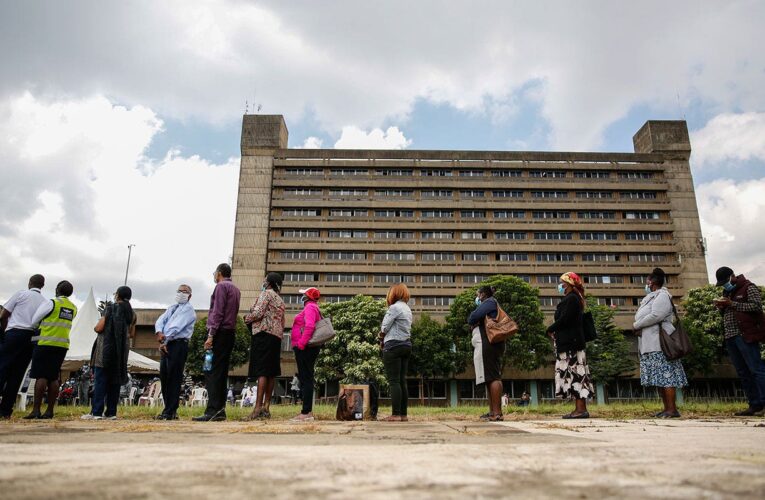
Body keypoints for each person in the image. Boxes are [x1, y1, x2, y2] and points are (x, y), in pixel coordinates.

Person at [633, 268, 687, 418]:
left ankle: (672, 409)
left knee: (666, 376)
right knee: (659, 377)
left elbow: (656, 315)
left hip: (660, 343)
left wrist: (637, 325)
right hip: (650, 343)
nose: (646, 283)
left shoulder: (662, 296)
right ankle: (666, 408)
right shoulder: (651, 297)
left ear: (652, 282)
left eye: (647, 281)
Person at [714, 266, 765, 416]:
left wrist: (732, 304)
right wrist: (721, 307)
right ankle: (754, 404)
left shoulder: (748, 287)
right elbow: (729, 311)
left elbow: (757, 307)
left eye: (725, 281)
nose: (724, 285)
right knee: (743, 372)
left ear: (732, 276)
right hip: (730, 336)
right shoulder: (727, 292)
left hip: (745, 335)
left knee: (756, 369)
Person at [194, 263, 241, 422]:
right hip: (230, 332)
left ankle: (212, 410)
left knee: (212, 371)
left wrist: (211, 335)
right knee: (221, 372)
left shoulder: (221, 287)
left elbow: (218, 311)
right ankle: (220, 410)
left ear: (219, 273)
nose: (214, 275)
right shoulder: (235, 289)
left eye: (215, 273)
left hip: (219, 332)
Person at [24, 280, 78, 419]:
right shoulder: (73, 307)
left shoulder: (51, 303)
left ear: (57, 290)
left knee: (41, 376)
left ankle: (36, 410)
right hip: (62, 345)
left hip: (45, 342)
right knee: (54, 377)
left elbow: (34, 320)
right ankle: (50, 411)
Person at [82, 286, 136, 420]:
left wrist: (97, 325)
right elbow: (132, 334)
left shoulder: (110, 308)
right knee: (115, 382)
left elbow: (99, 327)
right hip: (121, 353)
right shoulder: (132, 313)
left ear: (117, 295)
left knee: (100, 381)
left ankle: (96, 412)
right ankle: (111, 412)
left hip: (105, 350)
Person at [546, 272, 594, 419]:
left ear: (569, 283)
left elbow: (565, 319)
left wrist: (550, 328)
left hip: (571, 345)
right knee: (575, 375)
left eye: (562, 282)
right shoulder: (573, 298)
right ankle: (579, 408)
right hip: (570, 342)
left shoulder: (571, 298)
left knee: (576, 375)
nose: (560, 285)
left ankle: (581, 409)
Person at [0, 274, 48, 419]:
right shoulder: (45, 302)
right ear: (42, 286)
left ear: (29, 283)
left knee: (2, 368)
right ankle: (6, 410)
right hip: (31, 337)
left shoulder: (21, 294)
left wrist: (3, 332)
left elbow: (3, 314)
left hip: (14, 333)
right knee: (17, 374)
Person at [243, 272, 285, 420]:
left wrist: (246, 318)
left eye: (265, 279)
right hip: (276, 336)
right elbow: (283, 322)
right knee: (271, 372)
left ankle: (257, 408)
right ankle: (266, 407)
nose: (263, 281)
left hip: (263, 334)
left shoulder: (266, 294)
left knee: (261, 370)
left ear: (268, 282)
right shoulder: (280, 300)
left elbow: (258, 313)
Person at [154, 284, 196, 420]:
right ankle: (168, 408)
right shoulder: (172, 308)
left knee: (174, 377)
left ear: (189, 295)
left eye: (184, 291)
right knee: (165, 377)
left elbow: (176, 327)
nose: (181, 293)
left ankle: (171, 410)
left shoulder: (189, 310)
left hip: (177, 344)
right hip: (166, 343)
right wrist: (159, 332)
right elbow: (161, 320)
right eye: (179, 291)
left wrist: (165, 341)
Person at [468, 285, 505, 421]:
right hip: (491, 344)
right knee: (490, 377)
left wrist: (473, 319)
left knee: (493, 377)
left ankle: (496, 413)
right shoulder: (491, 303)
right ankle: (493, 412)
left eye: (478, 295)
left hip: (488, 344)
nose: (477, 298)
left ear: (483, 294)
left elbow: (473, 317)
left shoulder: (489, 302)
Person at [380, 283, 413, 422]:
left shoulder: (394, 308)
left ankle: (395, 414)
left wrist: (380, 337)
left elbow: (384, 327)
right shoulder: (407, 308)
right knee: (401, 381)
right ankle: (403, 414)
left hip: (393, 345)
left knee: (393, 381)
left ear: (393, 294)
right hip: (406, 345)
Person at [290, 287, 322, 422]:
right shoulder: (313, 307)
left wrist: (301, 344)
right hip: (308, 347)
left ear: (308, 296)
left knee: (306, 378)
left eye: (304, 294)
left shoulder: (310, 307)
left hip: (305, 348)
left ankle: (306, 412)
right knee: (306, 377)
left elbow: (309, 326)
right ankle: (306, 411)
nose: (302, 297)